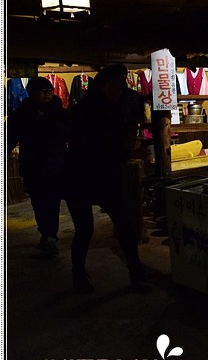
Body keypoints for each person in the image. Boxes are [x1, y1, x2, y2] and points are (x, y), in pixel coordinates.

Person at [64, 64, 149, 293]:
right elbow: (86, 144)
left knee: (124, 223)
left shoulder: (119, 107)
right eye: (113, 87)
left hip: (106, 174)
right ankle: (79, 275)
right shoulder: (85, 110)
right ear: (101, 86)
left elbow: (124, 136)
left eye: (120, 87)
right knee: (85, 229)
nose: (117, 91)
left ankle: (135, 270)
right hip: (79, 175)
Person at [6, 77, 71, 255]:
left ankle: (50, 235)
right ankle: (46, 232)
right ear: (31, 93)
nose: (47, 94)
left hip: (56, 165)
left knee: (53, 201)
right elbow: (8, 138)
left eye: (49, 90)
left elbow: (73, 135)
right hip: (33, 166)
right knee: (39, 201)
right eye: (42, 91)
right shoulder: (21, 115)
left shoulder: (60, 113)